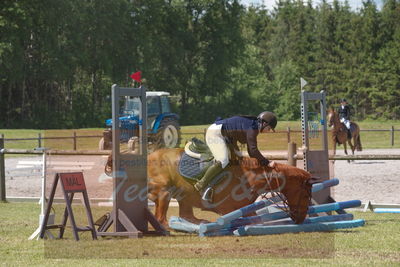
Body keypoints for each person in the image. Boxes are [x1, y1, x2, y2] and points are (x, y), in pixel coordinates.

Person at [194, 111, 278, 201]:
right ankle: (200, 185)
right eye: (269, 128)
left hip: (227, 137)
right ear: (264, 123)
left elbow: (250, 151)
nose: (268, 131)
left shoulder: (253, 125)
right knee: (223, 160)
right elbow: (252, 151)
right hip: (216, 133)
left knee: (238, 161)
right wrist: (267, 162)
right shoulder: (253, 128)